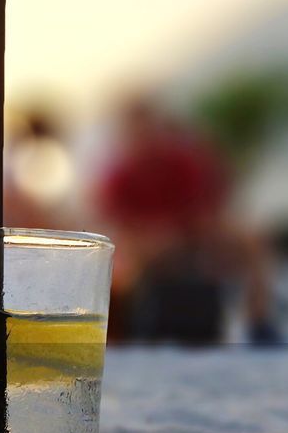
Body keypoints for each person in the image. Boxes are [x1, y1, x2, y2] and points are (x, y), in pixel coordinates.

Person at [93, 96, 278, 344]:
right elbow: (112, 219)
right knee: (123, 261)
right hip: (142, 243)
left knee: (251, 239)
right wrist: (148, 238)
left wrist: (179, 234)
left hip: (189, 233)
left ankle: (259, 320)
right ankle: (125, 329)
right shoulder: (119, 171)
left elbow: (204, 208)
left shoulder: (183, 159)